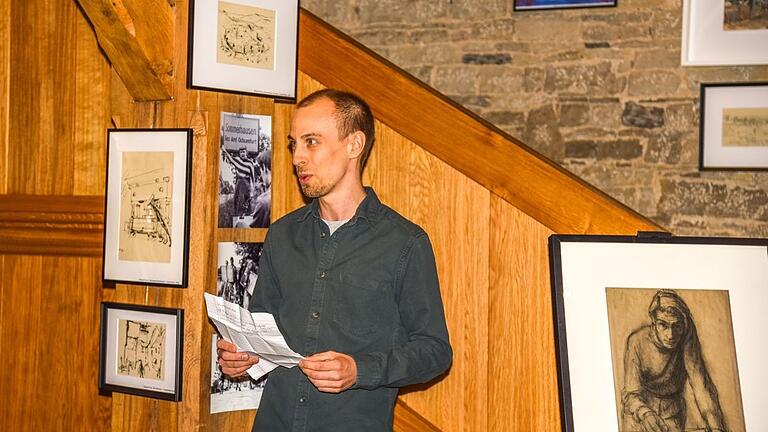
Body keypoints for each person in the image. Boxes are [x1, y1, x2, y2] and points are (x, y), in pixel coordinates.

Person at [217, 89, 452, 431]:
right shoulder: (282, 235)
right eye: (293, 143)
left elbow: (435, 352)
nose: (298, 157)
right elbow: (259, 331)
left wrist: (360, 369)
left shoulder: (405, 242)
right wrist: (242, 357)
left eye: (311, 142)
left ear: (354, 145)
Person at [621, 290, 725, 432]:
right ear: (653, 323)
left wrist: (716, 427)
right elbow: (630, 393)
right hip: (638, 414)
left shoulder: (686, 336)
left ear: (684, 325)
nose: (670, 335)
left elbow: (701, 384)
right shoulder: (636, 341)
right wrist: (644, 413)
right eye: (663, 325)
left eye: (677, 326)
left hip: (672, 413)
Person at [222, 145, 258, 217]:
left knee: (246, 200)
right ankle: (237, 216)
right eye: (241, 152)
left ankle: (246, 216)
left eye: (244, 152)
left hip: (246, 183)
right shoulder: (238, 160)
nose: (242, 153)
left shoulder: (250, 163)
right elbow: (231, 159)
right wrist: (224, 150)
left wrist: (253, 187)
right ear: (239, 153)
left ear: (246, 153)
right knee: (237, 199)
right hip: (239, 182)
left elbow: (253, 176)